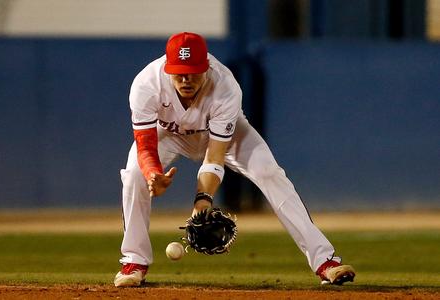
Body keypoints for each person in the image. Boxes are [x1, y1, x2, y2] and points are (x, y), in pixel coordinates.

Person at [114, 32, 355, 287]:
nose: (186, 79)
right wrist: (152, 173)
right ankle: (134, 262)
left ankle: (325, 261)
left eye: (193, 72)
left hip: (220, 135)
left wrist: (202, 200)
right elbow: (145, 146)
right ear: (167, 68)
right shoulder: (146, 85)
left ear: (206, 67)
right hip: (169, 134)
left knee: (269, 172)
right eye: (179, 72)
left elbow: (214, 154)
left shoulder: (225, 86)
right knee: (134, 176)